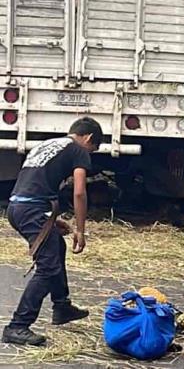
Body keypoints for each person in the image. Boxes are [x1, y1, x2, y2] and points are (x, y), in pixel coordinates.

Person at [3, 117, 103, 346]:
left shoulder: (46, 144)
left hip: (17, 206)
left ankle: (62, 306)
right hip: (32, 209)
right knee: (48, 267)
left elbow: (35, 182)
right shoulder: (78, 150)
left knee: (57, 246)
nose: (90, 155)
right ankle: (17, 325)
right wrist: (81, 230)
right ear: (88, 138)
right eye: (93, 149)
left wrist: (51, 221)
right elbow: (79, 193)